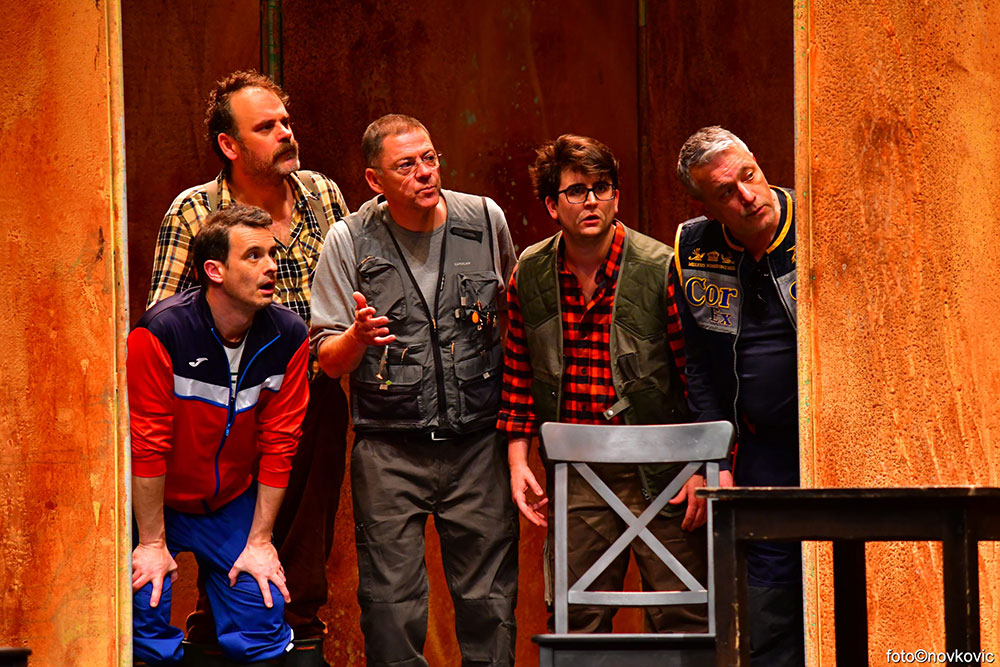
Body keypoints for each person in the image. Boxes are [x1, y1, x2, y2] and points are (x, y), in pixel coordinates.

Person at [146, 70, 349, 651]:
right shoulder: (196, 210)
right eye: (266, 127)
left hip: (313, 396)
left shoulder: (322, 195)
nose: (286, 133)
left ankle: (300, 647)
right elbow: (162, 322)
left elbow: (347, 289)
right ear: (229, 145)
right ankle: (218, 645)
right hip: (227, 408)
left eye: (286, 121)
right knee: (232, 555)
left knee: (304, 554)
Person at [310, 114, 519, 667]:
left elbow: (513, 318)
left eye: (430, 158)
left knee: (491, 606)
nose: (425, 172)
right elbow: (326, 358)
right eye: (406, 165)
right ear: (374, 180)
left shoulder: (485, 219)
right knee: (390, 610)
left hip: (479, 445)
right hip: (389, 451)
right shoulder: (349, 240)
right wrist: (356, 338)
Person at [498, 133, 710, 633]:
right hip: (579, 470)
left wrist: (703, 467)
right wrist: (517, 460)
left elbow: (696, 378)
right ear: (552, 205)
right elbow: (518, 373)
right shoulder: (531, 272)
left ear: (617, 196)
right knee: (577, 619)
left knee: (684, 613)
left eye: (601, 188)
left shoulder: (660, 267)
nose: (591, 200)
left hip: (663, 470)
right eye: (576, 190)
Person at [129, 205, 308, 664]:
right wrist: (151, 544)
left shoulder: (288, 335)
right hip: (155, 502)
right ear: (215, 271)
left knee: (262, 602)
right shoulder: (161, 332)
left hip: (228, 501)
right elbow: (147, 443)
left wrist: (261, 541)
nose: (271, 266)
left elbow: (281, 443)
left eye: (272, 253)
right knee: (143, 603)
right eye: (253, 256)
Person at [675, 126, 802, 666]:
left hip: (835, 444)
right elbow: (698, 365)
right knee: (767, 603)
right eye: (726, 192)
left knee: (845, 585)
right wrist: (714, 459)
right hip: (759, 450)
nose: (747, 196)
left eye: (749, 176)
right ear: (705, 206)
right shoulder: (694, 247)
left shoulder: (817, 221)